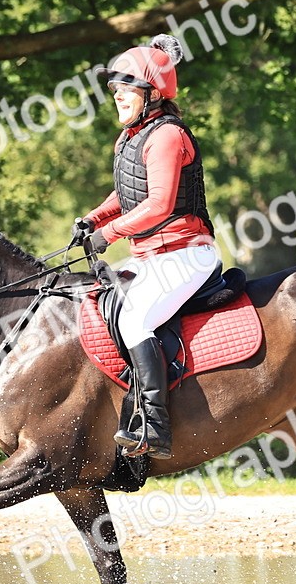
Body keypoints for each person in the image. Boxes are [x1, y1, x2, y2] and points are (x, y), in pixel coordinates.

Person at [73, 34, 221, 460]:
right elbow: (128, 193)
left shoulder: (168, 136)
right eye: (114, 89)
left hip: (185, 254)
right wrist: (93, 219)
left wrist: (109, 234)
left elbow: (158, 204)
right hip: (150, 257)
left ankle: (154, 425)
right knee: (104, 306)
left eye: (126, 88)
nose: (117, 96)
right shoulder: (131, 138)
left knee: (136, 321)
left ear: (153, 93)